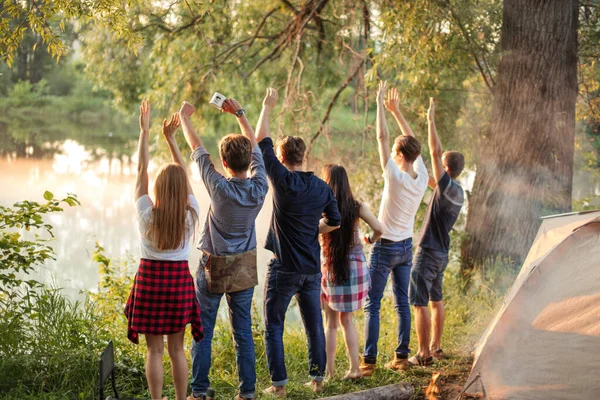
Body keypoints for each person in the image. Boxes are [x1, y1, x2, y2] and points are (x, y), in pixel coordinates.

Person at [178, 97, 268, 400]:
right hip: (243, 266)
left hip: (212, 267)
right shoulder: (260, 188)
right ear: (248, 163)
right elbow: (256, 150)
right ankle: (247, 393)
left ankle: (199, 392)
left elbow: (198, 151)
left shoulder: (218, 187)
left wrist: (185, 118)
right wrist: (241, 114)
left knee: (202, 331)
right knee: (243, 333)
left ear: (225, 163)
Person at [257, 88, 342, 396]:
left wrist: (267, 107)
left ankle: (278, 386)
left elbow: (260, 141)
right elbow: (335, 222)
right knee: (314, 325)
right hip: (311, 268)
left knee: (274, 326)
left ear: (282, 158)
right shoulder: (321, 187)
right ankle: (317, 380)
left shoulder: (281, 180)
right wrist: (312, 229)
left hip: (283, 269)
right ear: (304, 156)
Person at [125, 100, 203, 400]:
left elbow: (142, 169)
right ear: (183, 188)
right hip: (178, 282)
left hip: (150, 281)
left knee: (154, 351)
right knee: (177, 350)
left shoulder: (146, 212)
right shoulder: (190, 214)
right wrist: (172, 140)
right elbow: (184, 175)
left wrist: (145, 133)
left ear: (156, 189)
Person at [360, 81, 428, 375]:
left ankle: (368, 362)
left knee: (372, 303)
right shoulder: (422, 175)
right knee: (402, 302)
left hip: (386, 246)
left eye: (396, 152)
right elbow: (409, 140)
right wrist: (397, 112)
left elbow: (381, 137)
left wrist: (379, 105)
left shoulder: (394, 176)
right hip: (406, 247)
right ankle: (401, 357)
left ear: (399, 156)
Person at [408, 98, 465, 367]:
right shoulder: (457, 191)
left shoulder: (446, 186)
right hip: (441, 252)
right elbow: (432, 179)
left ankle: (423, 354)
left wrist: (431, 119)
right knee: (436, 299)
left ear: (446, 168)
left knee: (419, 302)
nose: (436, 167)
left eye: (440, 165)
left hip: (429, 251)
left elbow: (433, 150)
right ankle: (437, 347)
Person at [320, 164, 383, 380]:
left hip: (332, 268)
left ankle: (328, 374)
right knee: (347, 320)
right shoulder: (356, 206)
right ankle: (355, 369)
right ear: (346, 183)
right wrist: (369, 240)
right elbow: (380, 229)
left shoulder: (321, 206)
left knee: (330, 323)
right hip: (355, 270)